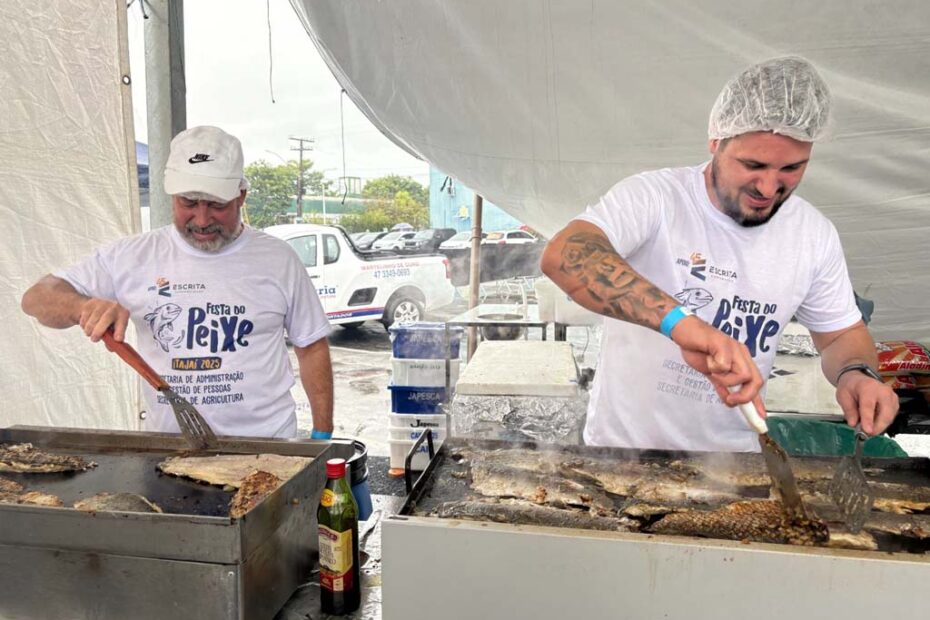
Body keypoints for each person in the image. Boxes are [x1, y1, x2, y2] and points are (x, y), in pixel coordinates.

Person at [541, 57, 898, 452]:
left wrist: (856, 373)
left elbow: (841, 335)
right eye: (753, 164)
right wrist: (683, 325)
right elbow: (565, 254)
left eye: (792, 168)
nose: (768, 186)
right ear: (716, 141)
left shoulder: (813, 234)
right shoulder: (657, 198)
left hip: (735, 465)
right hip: (622, 456)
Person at [21, 126, 334, 439]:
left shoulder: (278, 259)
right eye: (189, 202)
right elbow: (36, 299)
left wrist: (322, 434)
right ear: (172, 195)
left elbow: (311, 346)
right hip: (171, 452)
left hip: (268, 445)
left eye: (216, 205)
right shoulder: (131, 256)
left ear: (241, 196)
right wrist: (82, 306)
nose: (201, 219)